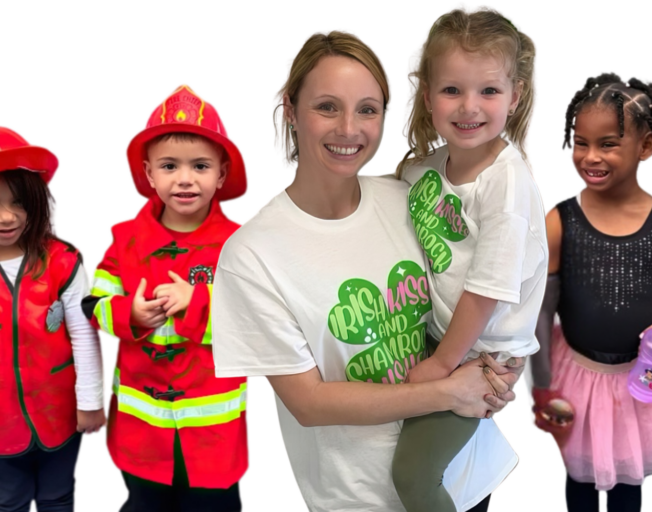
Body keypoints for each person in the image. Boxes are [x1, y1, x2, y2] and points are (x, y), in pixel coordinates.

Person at [211, 28, 523, 512]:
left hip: (465, 472)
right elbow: (309, 404)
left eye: (367, 109)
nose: (349, 129)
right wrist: (448, 390)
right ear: (291, 111)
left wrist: (498, 375)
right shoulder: (252, 255)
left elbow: (479, 288)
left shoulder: (408, 198)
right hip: (362, 497)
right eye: (327, 107)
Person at [391, 6, 543, 511]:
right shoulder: (426, 170)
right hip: (445, 334)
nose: (468, 107)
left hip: (482, 355)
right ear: (429, 94)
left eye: (489, 91)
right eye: (452, 90)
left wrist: (441, 363)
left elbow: (486, 289)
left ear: (515, 96)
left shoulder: (508, 183)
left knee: (414, 476)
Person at [531, 71, 652, 512]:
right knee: (578, 485)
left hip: (640, 379)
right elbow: (543, 306)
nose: (590, 156)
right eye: (580, 142)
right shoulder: (560, 219)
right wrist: (543, 386)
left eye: (608, 143)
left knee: (629, 485)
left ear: (645, 146)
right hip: (576, 377)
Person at [83, 83, 249, 511]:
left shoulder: (241, 244)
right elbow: (94, 304)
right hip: (141, 430)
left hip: (214, 433)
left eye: (200, 165)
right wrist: (129, 315)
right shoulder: (123, 240)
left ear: (221, 174)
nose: (185, 178)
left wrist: (196, 302)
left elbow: (256, 323)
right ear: (149, 172)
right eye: (170, 165)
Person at [0, 125, 106, 511]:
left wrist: (91, 400)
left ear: (39, 202)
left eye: (19, 202)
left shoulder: (65, 261)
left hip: (62, 413)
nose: (7, 217)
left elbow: (85, 335)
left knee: (60, 498)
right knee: (8, 500)